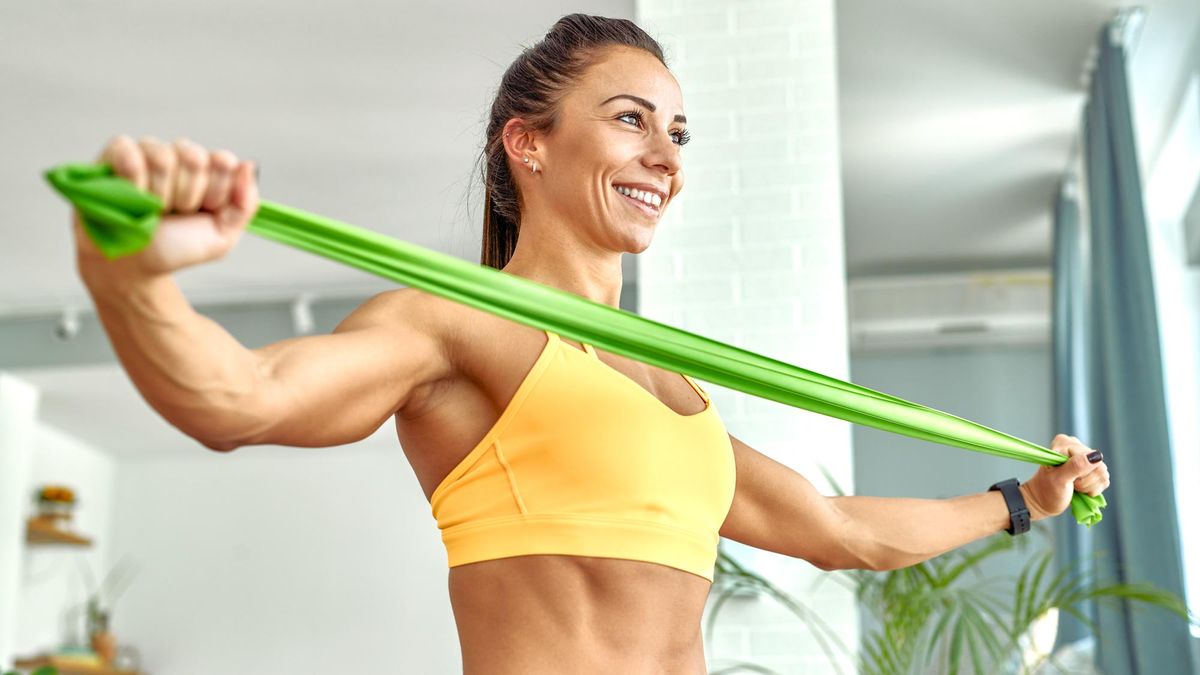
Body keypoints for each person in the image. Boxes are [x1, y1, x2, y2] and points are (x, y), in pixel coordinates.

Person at [73, 13, 1111, 675]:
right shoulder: (454, 323)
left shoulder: (674, 384)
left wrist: (1023, 499)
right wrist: (126, 270)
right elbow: (238, 398)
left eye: (678, 132)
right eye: (630, 120)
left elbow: (839, 528)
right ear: (529, 143)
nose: (665, 155)